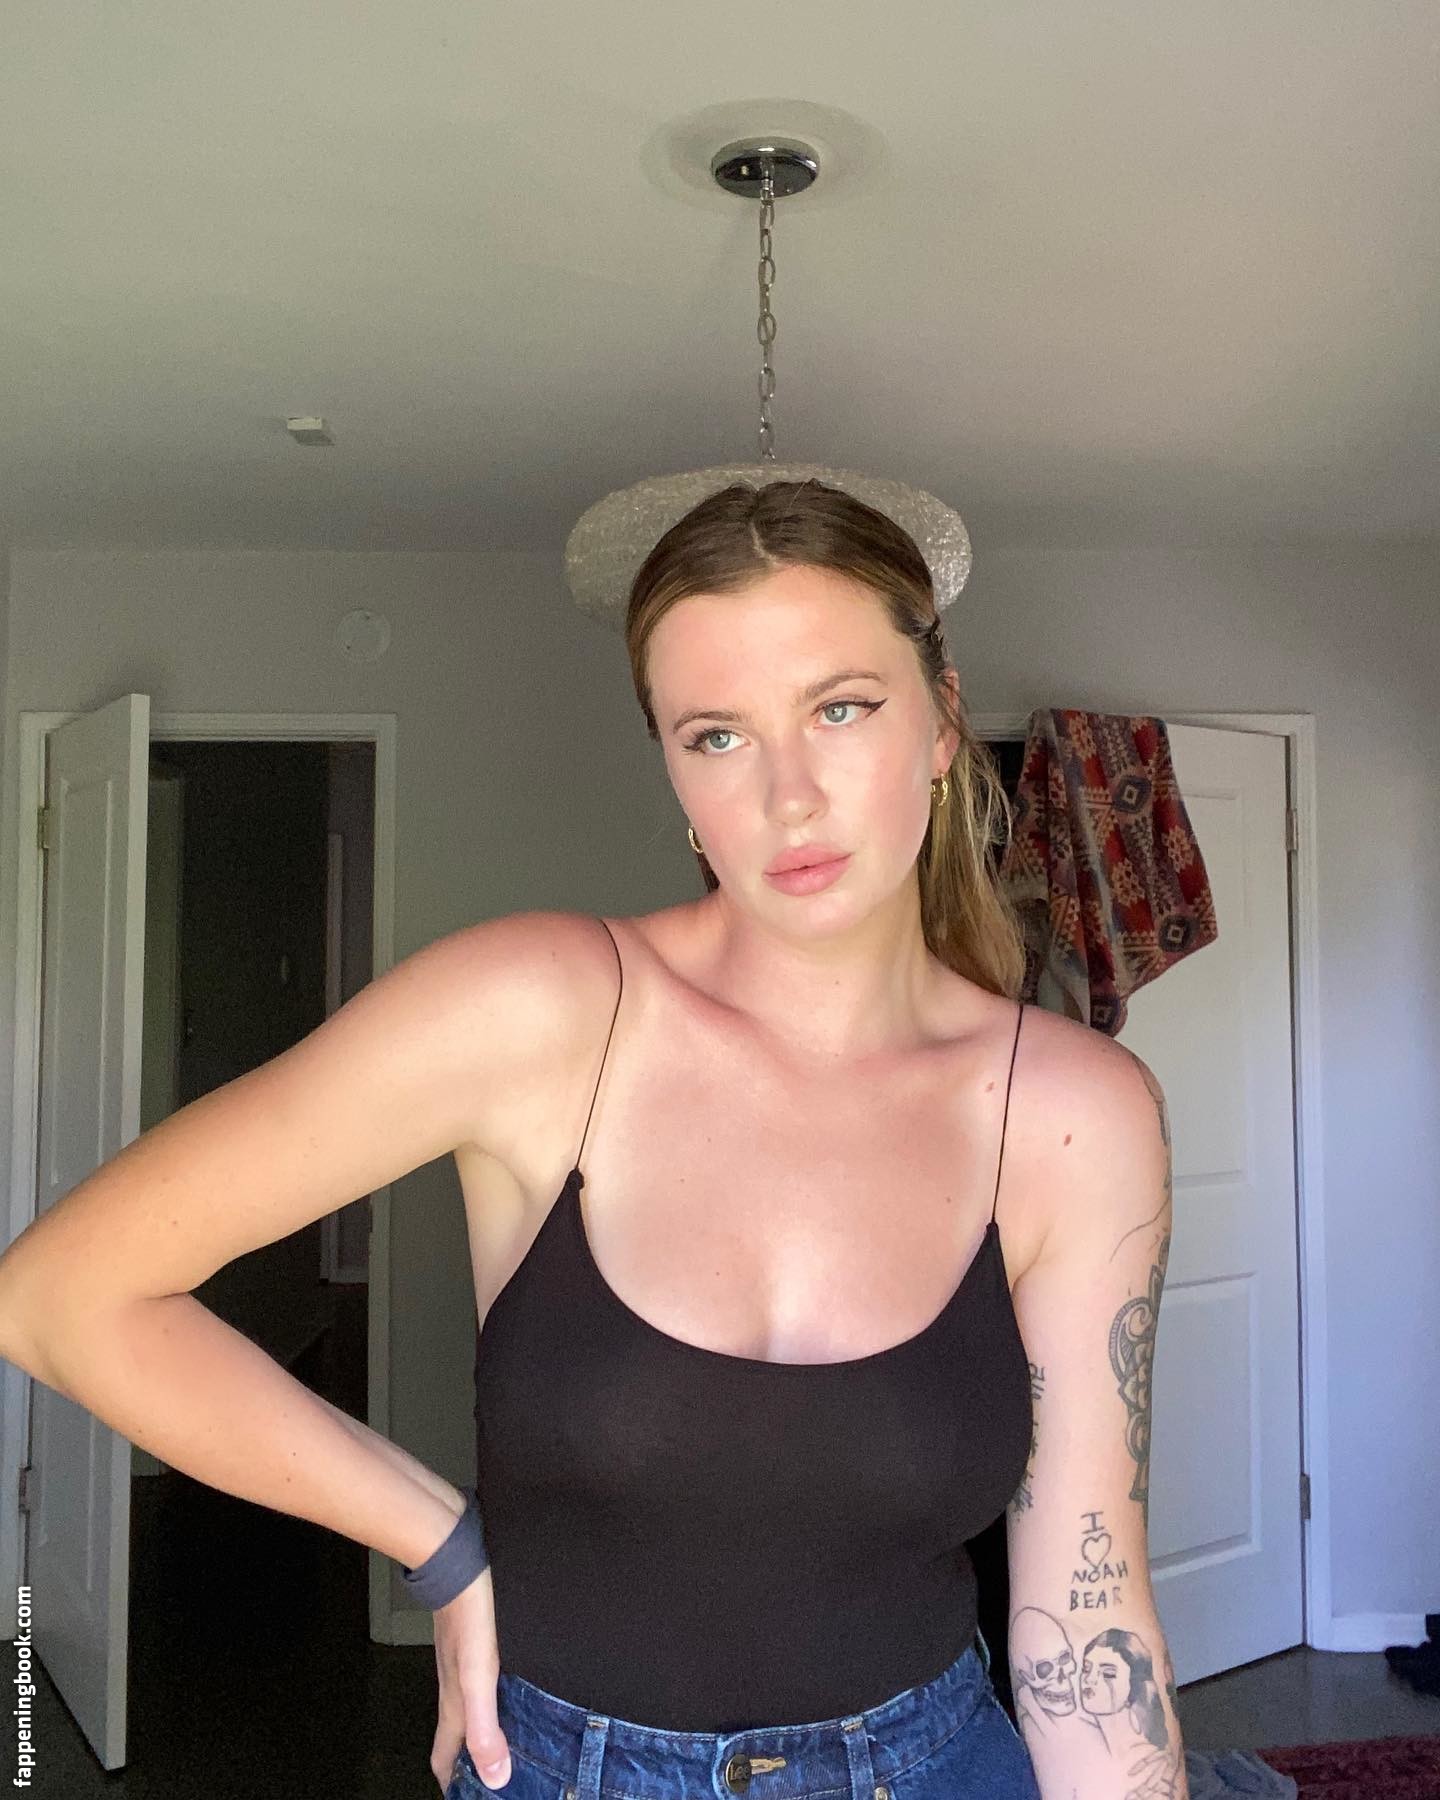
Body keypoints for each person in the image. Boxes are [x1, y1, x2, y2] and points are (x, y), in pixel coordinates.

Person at [0, 479, 1188, 1799]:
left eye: (841, 708)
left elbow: (1087, 1617)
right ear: (674, 769)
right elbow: (59, 1295)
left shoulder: (1075, 1114)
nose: (789, 795)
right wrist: (430, 1532)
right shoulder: (539, 1010)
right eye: (717, 735)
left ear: (942, 720)